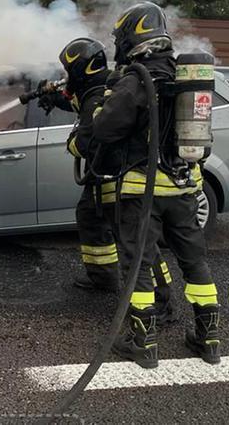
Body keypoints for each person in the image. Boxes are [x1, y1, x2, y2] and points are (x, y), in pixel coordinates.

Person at [91, 1, 220, 369]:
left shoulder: (136, 79)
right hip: (183, 190)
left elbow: (104, 130)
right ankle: (208, 339)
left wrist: (103, 101)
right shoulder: (182, 75)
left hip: (141, 192)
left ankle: (142, 343)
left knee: (139, 266)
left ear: (132, 35)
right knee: (194, 263)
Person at [42, 38, 174, 318]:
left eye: (70, 70)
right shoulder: (98, 86)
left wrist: (72, 144)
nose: (67, 76)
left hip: (117, 176)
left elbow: (89, 139)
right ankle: (103, 277)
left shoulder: (100, 92)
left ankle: (162, 302)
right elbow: (80, 104)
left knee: (137, 242)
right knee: (90, 216)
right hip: (105, 175)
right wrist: (53, 97)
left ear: (80, 69)